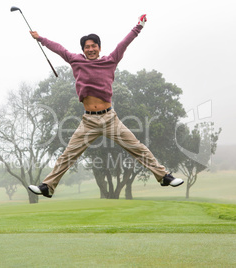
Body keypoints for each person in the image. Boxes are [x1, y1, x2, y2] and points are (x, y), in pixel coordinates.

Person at [28, 14, 183, 198]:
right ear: (83, 50)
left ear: (99, 48)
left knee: (137, 147)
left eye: (94, 46)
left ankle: (164, 176)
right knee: (68, 155)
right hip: (89, 121)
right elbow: (59, 49)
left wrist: (138, 26)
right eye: (87, 47)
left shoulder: (110, 61)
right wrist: (40, 39)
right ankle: (47, 186)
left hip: (109, 118)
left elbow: (124, 44)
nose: (91, 49)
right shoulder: (76, 60)